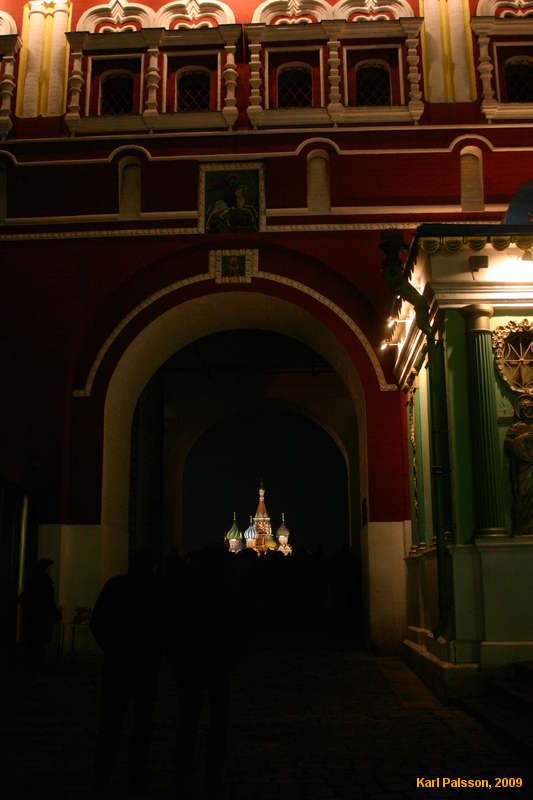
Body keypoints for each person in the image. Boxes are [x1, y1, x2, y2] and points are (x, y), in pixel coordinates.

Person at [90, 548, 162, 794]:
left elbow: (97, 622)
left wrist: (111, 648)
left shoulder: (115, 586)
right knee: (142, 723)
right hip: (145, 666)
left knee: (111, 720)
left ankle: (103, 771)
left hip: (117, 664)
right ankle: (136, 770)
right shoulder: (156, 589)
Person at [19, 558, 62, 670]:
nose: (50, 570)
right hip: (41, 619)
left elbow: (23, 598)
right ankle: (35, 666)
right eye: (49, 568)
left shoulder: (33, 581)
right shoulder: (45, 583)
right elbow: (49, 601)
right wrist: (56, 614)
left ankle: (31, 665)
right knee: (38, 643)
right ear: (45, 569)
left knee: (33, 643)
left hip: (33, 618)